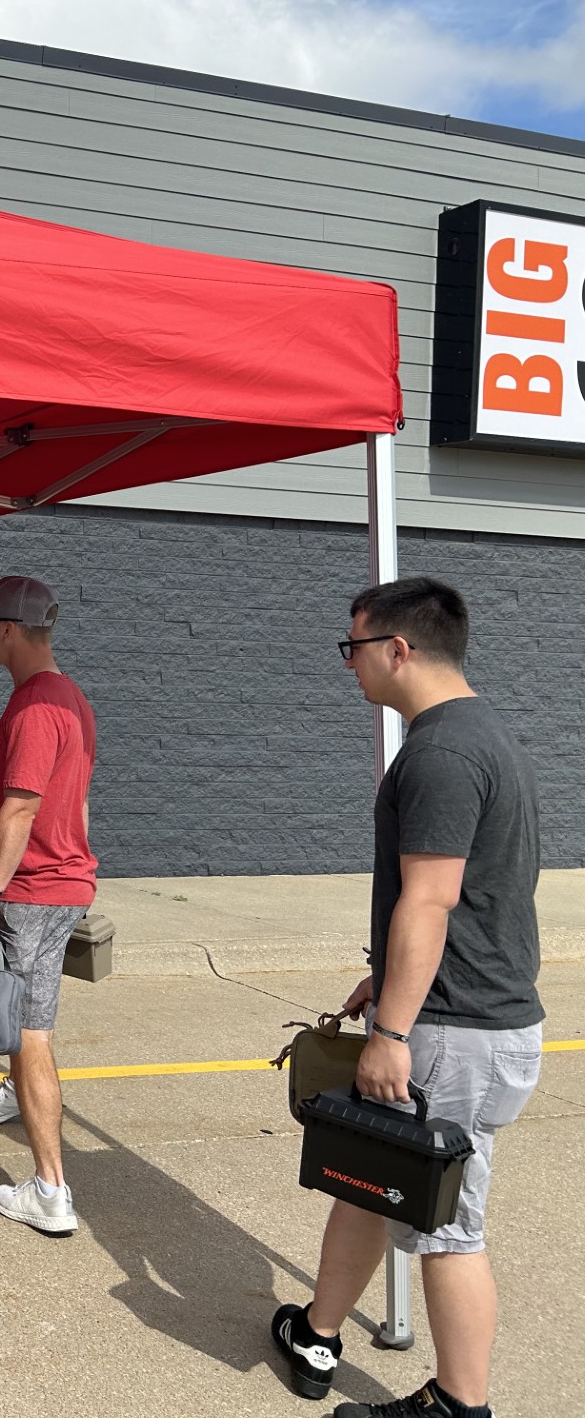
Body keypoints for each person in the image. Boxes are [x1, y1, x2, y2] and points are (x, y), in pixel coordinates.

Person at [272, 578, 541, 1418]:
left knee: (449, 1233)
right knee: (363, 1174)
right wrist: (385, 981)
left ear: (399, 650)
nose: (347, 664)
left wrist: (392, 1027)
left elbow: (433, 898)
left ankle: (461, 1406)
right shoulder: (478, 734)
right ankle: (317, 1332)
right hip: (456, 1011)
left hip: (453, 1031)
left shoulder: (440, 754)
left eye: (352, 647)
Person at [0, 576, 97, 1238]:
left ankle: (50, 1190)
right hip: (58, 885)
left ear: (8, 630)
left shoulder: (37, 707)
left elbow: (22, 805)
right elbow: (78, 802)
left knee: (31, 1029)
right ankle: (17, 1095)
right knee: (23, 1016)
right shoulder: (66, 698)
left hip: (33, 892)